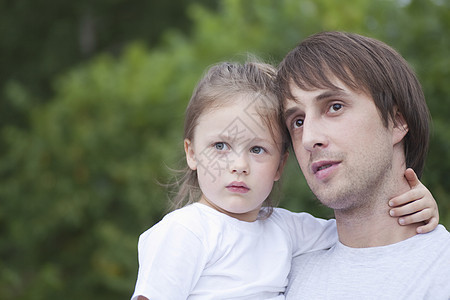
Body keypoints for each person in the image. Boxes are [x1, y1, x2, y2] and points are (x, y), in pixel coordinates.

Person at [131, 60, 438, 300]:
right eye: (220, 146)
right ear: (192, 153)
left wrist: (414, 204)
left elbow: (364, 228)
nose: (239, 165)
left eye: (257, 149)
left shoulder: (284, 230)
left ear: (280, 165)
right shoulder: (185, 232)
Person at [276, 31, 450, 299]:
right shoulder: (276, 274)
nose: (309, 138)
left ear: (397, 121)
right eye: (297, 121)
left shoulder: (441, 271)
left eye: (334, 107)